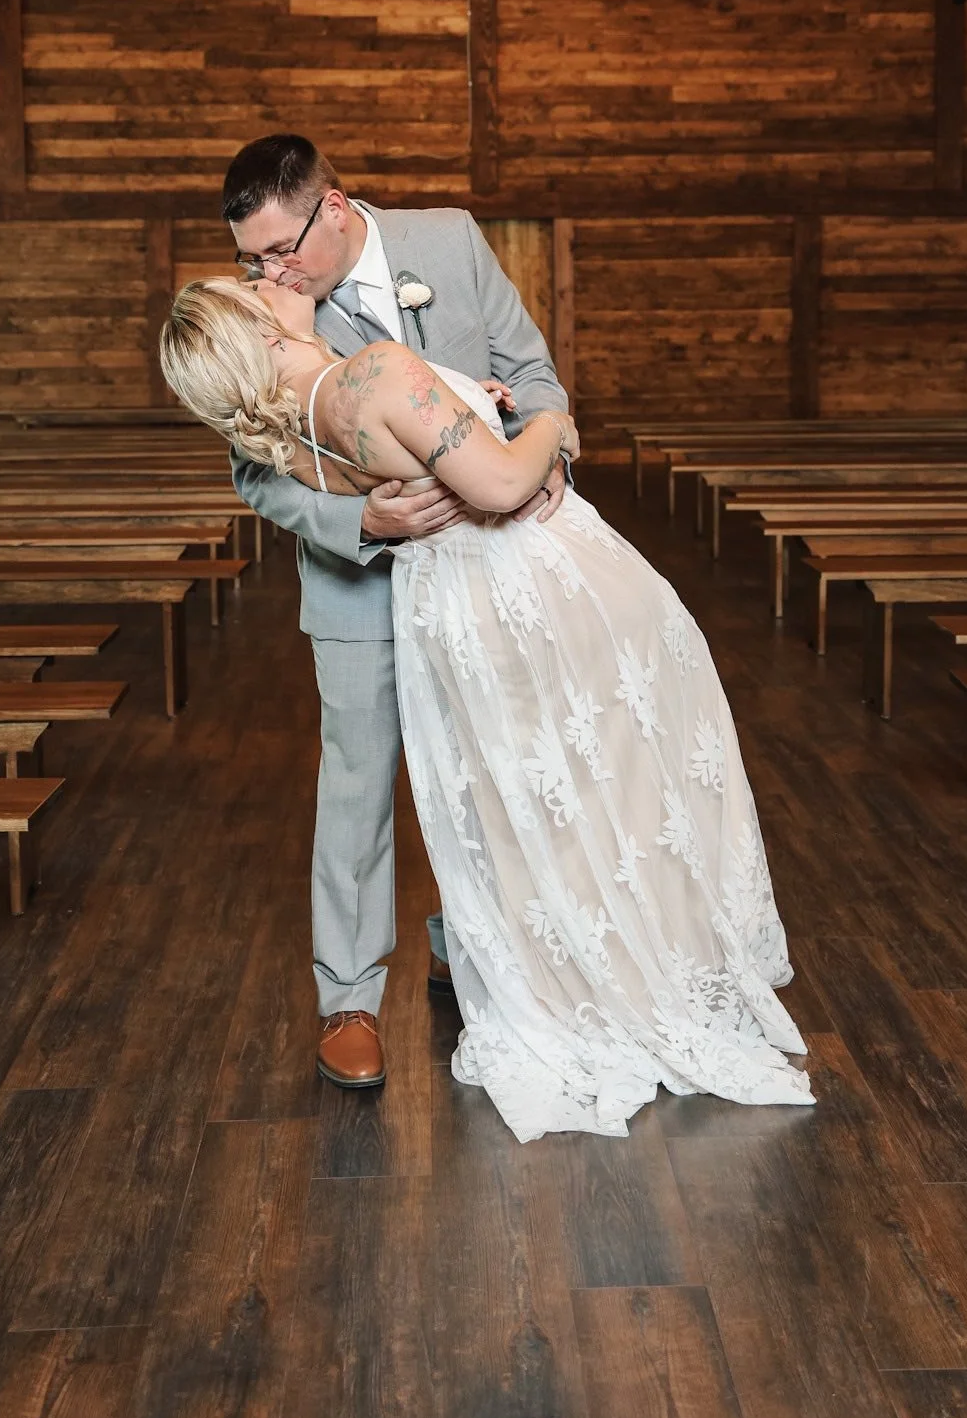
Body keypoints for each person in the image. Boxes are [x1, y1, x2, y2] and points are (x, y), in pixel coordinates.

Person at [161, 276, 814, 1141]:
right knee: (615, 791)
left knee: (533, 802)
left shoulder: (287, 422)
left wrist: (479, 407)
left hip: (457, 606)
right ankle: (635, 987)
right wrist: (553, 429)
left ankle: (573, 980)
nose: (265, 275)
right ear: (249, 325)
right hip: (541, 589)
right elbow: (503, 485)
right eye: (244, 281)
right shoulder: (375, 370)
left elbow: (434, 442)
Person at [217, 133, 573, 1092]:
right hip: (357, 581)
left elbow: (534, 376)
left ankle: (469, 946)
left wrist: (550, 463)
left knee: (489, 766)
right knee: (357, 786)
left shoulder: (449, 242)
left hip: (484, 567)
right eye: (253, 259)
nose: (269, 272)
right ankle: (348, 998)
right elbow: (252, 472)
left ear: (334, 206)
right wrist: (353, 517)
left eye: (282, 249)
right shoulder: (259, 311)